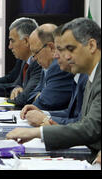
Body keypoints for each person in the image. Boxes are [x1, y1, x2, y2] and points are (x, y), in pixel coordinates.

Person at [7, 18, 101, 162]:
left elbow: (90, 128)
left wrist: (38, 131)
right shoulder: (90, 76)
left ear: (92, 45)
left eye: (69, 49)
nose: (62, 56)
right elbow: (84, 122)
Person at [21, 25, 88, 126]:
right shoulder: (79, 75)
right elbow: (70, 113)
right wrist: (43, 114)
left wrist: (45, 119)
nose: (56, 56)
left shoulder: (88, 77)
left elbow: (85, 125)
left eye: (61, 49)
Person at [26, 24, 74, 110]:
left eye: (36, 52)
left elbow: (43, 104)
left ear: (51, 47)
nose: (34, 59)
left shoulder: (58, 67)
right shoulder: (46, 67)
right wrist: (40, 95)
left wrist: (41, 95)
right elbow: (32, 94)